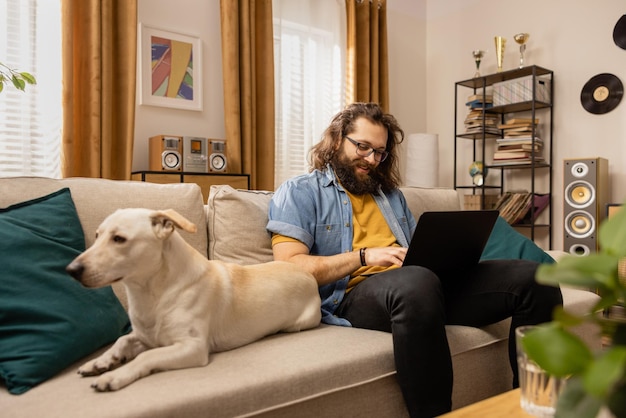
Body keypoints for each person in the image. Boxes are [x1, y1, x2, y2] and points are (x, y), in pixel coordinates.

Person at [266, 102, 563, 417]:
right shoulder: (299, 192)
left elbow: (417, 252)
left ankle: (537, 406)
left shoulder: (390, 196)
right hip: (354, 296)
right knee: (416, 282)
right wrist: (365, 256)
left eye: (379, 152)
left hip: (421, 287)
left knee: (533, 278)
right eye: (362, 147)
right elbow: (290, 268)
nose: (371, 159)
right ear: (337, 140)